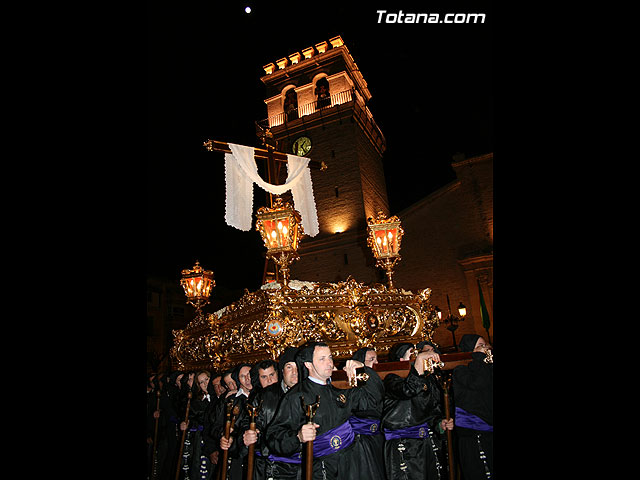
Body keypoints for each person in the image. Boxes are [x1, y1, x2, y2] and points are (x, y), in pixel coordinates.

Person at [265, 341, 384, 480]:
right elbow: (274, 436)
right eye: (322, 359)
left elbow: (372, 401)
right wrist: (298, 436)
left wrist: (363, 370)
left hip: (353, 462)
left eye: (330, 357)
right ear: (308, 364)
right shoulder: (296, 396)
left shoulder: (341, 387)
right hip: (322, 468)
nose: (329, 363)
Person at [382, 342, 454, 480]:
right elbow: (407, 390)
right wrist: (419, 365)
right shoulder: (391, 378)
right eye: (413, 355)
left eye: (418, 354)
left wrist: (440, 423)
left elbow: (432, 409)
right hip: (405, 445)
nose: (418, 358)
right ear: (402, 360)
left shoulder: (426, 378)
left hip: (426, 443)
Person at [238, 347, 301, 480]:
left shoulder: (312, 393)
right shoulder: (264, 396)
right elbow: (248, 423)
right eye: (289, 367)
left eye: (297, 366)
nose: (294, 372)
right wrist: (247, 434)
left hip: (304, 467)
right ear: (282, 370)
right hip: (271, 467)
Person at [452, 334, 493, 479]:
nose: (485, 348)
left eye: (485, 345)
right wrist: (479, 359)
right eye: (479, 346)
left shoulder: (487, 367)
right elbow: (477, 383)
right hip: (474, 432)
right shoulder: (460, 371)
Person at [348, 347, 385, 479]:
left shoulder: (381, 379)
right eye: (371, 360)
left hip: (379, 438)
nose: (376, 363)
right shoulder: (353, 384)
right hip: (362, 442)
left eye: (377, 359)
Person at [178, 370, 216, 480]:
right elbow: (190, 417)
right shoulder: (196, 401)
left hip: (211, 438)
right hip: (199, 440)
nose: (205, 384)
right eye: (201, 382)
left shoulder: (217, 399)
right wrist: (186, 423)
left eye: (206, 380)